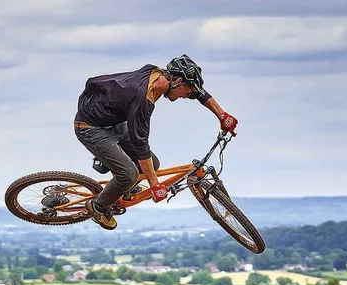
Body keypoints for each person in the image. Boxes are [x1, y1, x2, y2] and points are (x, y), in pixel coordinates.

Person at [73, 54, 239, 230]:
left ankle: (121, 183)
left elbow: (198, 93)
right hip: (90, 128)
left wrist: (222, 115)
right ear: (178, 82)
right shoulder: (142, 99)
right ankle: (98, 207)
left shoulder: (158, 74)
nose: (187, 96)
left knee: (153, 165)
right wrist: (155, 185)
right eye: (187, 91)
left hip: (111, 120)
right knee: (129, 175)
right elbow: (140, 145)